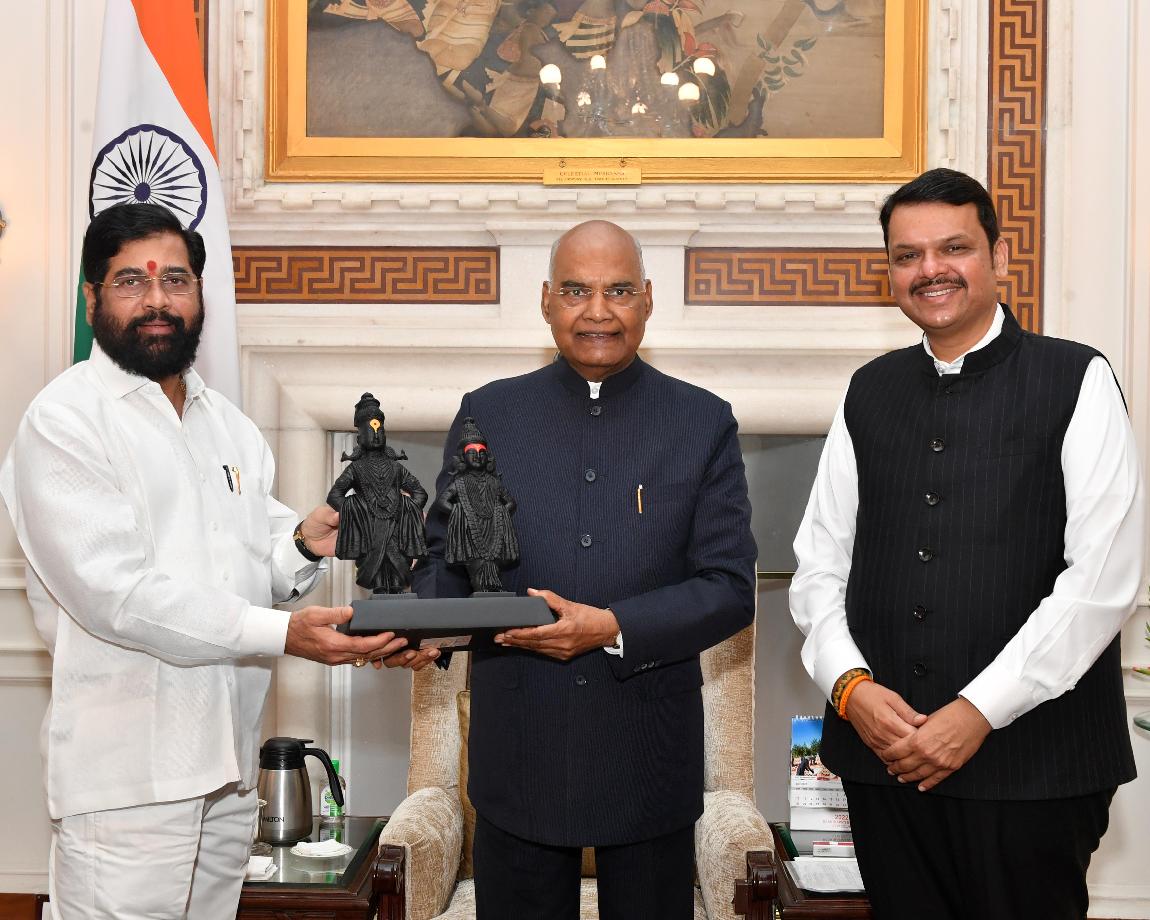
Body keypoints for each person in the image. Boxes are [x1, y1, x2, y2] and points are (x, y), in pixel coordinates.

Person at [0, 203, 406, 920]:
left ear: (200, 293)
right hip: (130, 781)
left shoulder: (229, 425)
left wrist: (304, 542)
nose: (157, 299)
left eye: (176, 280)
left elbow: (248, 563)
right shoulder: (65, 421)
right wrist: (286, 634)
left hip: (228, 771)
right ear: (92, 299)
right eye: (131, 280)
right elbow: (119, 597)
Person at [790, 168, 1145, 920]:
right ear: (891, 272)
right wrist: (850, 689)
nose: (931, 270)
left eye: (953, 248)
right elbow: (819, 564)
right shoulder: (868, 389)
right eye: (907, 255)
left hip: (1035, 767)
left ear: (998, 256)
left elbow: (1102, 581)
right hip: (884, 761)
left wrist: (978, 711)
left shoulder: (1076, 377)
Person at [390, 220, 757, 919]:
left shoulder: (703, 422)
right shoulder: (489, 413)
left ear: (648, 299)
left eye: (618, 290)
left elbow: (729, 587)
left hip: (648, 762)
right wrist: (416, 628)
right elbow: (448, 559)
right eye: (575, 290)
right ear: (545, 300)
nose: (597, 311)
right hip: (519, 758)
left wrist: (613, 626)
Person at [327, 392, 428, 593]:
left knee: (399, 575)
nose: (375, 435)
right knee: (377, 577)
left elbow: (420, 493)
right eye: (370, 431)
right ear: (359, 438)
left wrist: (405, 510)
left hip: (396, 530)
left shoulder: (396, 468)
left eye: (379, 431)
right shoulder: (356, 468)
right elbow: (334, 495)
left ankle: (397, 590)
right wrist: (358, 509)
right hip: (369, 531)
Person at [432, 417, 520, 592]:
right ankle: (482, 589)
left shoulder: (493, 482)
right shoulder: (460, 483)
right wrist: (461, 513)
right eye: (472, 453)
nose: (478, 457)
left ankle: (493, 589)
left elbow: (511, 502)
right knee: (477, 565)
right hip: (471, 532)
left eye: (482, 453)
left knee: (494, 564)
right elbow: (442, 501)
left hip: (494, 529)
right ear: (463, 458)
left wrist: (500, 512)